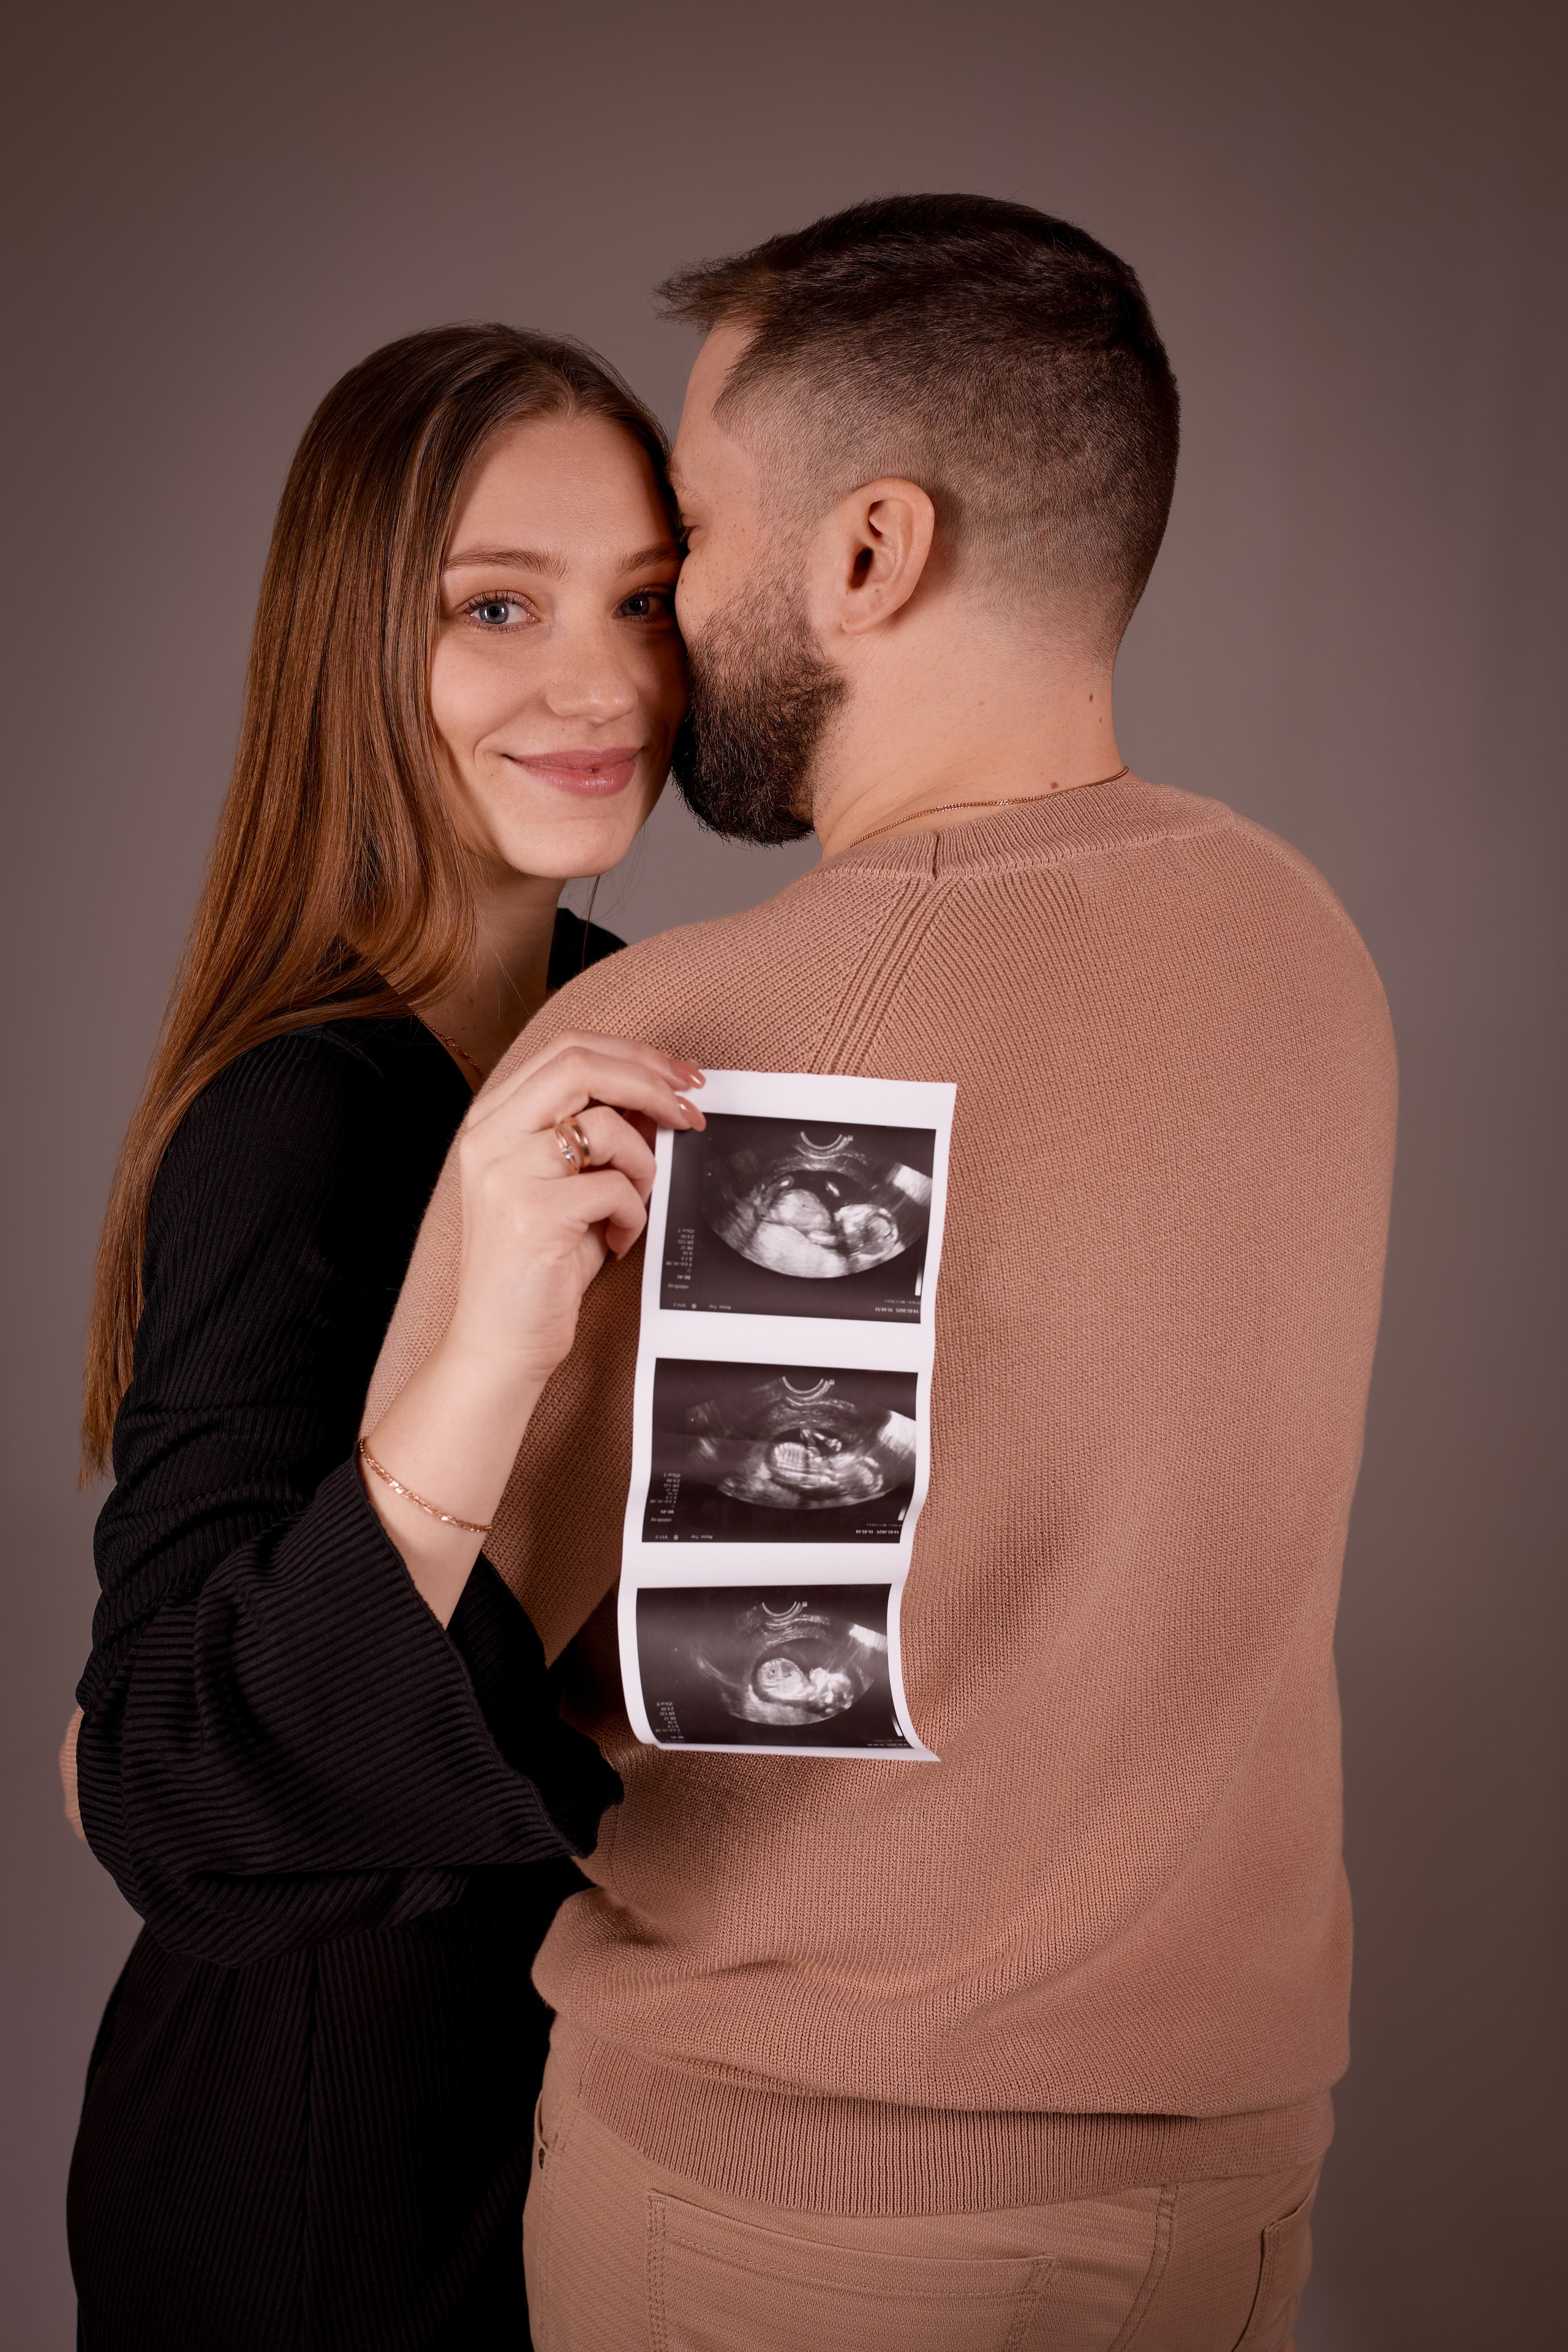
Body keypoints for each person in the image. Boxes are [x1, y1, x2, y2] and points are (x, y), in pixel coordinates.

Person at [369, 197, 1398, 2350]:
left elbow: (417, 1659)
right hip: (1232, 2201)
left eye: (697, 540)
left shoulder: (702, 1039)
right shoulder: (1304, 944)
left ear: (868, 556)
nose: (664, 627)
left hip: (793, 2207)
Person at [66, 322, 705, 2350]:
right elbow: (158, 1789)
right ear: (357, 642)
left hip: (561, 2088)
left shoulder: (630, 1018)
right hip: (319, 2154)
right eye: (496, 607)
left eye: (644, 602)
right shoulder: (300, 1114)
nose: (599, 684)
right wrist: (484, 1350)